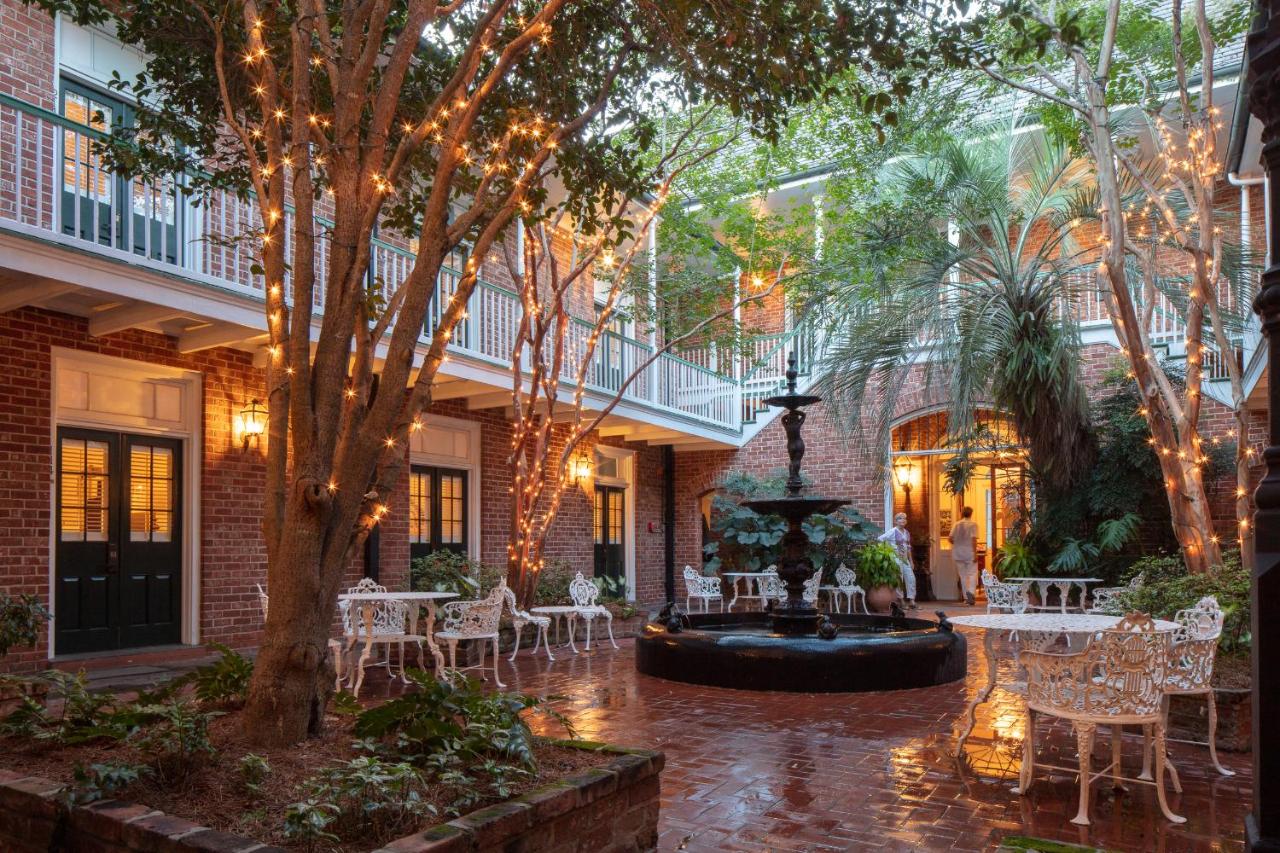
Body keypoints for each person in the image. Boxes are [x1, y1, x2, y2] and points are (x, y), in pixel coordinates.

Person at [878, 512, 916, 610]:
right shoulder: (892, 531)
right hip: (896, 559)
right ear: (896, 521)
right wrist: (889, 552)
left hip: (905, 559)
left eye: (904, 518)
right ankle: (901, 600)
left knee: (911, 579)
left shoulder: (907, 533)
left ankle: (912, 600)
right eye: (900, 518)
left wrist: (911, 561)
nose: (902, 520)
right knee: (899, 578)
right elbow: (880, 539)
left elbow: (908, 547)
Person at [950, 506, 980, 606]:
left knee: (962, 575)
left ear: (962, 513)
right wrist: (975, 553)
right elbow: (974, 539)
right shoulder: (973, 524)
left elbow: (950, 539)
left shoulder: (956, 524)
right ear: (971, 514)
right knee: (972, 573)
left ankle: (966, 598)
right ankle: (971, 592)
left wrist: (958, 542)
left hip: (958, 553)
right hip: (969, 552)